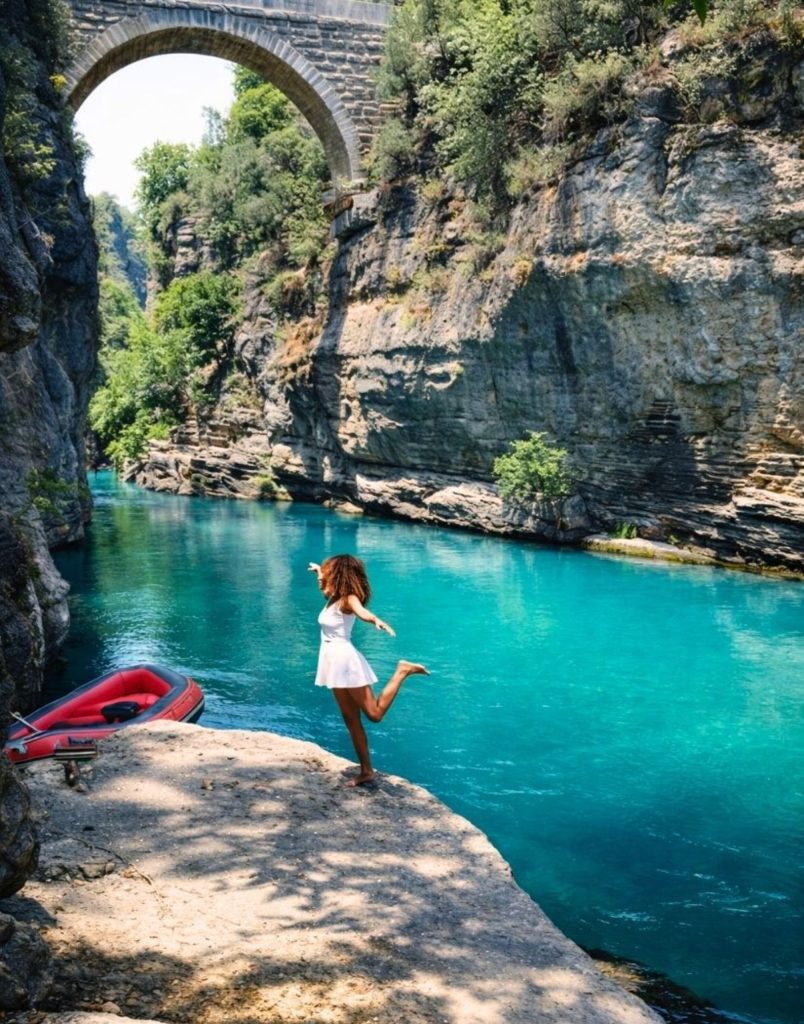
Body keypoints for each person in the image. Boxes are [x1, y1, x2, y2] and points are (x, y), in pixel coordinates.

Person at [308, 554, 428, 787]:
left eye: (329, 571)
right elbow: (324, 588)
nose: (325, 575)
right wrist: (319, 573)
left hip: (345, 662)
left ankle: (402, 671)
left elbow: (362, 612)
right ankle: (366, 771)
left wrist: (376, 621)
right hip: (332, 663)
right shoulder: (333, 598)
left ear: (340, 574)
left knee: (373, 714)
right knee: (350, 719)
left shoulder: (348, 599)